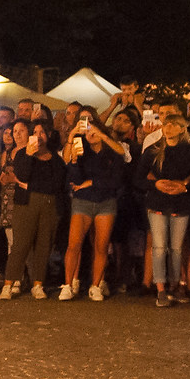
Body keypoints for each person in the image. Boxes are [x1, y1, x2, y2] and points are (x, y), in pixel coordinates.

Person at [136, 111, 190, 307]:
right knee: (159, 247)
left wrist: (185, 187)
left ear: (183, 129)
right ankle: (160, 289)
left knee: (176, 248)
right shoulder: (152, 151)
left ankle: (175, 286)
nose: (169, 128)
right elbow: (138, 179)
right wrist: (155, 185)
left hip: (181, 203)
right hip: (157, 202)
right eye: (166, 124)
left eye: (174, 124)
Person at [60, 112, 129, 302]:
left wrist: (91, 182)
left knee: (101, 245)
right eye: (85, 127)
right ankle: (67, 285)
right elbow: (72, 173)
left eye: (93, 127)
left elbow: (115, 179)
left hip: (106, 202)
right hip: (82, 201)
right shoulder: (81, 148)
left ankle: (96, 285)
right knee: (74, 244)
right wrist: (73, 150)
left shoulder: (112, 151)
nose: (89, 131)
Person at [0, 119, 64, 299]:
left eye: (42, 132)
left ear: (48, 135)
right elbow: (21, 175)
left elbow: (56, 185)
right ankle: (9, 284)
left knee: (44, 246)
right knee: (20, 245)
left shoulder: (55, 159)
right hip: (26, 205)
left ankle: (38, 284)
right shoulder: (22, 155)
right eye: (34, 133)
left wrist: (30, 186)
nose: (38, 136)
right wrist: (28, 155)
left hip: (49, 207)